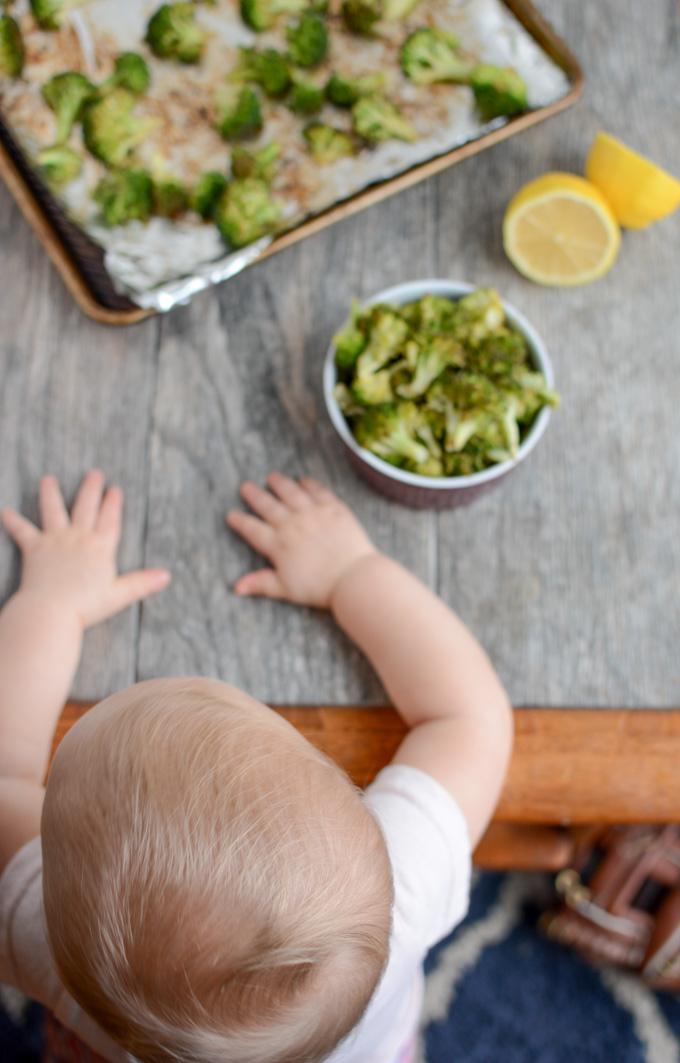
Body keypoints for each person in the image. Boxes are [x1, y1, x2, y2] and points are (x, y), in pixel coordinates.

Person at [0, 469, 512, 1063]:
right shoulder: (403, 895)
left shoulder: (35, 928)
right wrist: (352, 574)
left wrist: (49, 605)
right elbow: (469, 718)